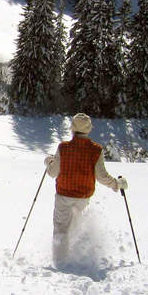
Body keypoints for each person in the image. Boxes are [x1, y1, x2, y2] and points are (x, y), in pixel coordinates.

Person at [43, 113, 127, 267]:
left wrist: (49, 162)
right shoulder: (96, 150)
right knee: (75, 226)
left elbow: (53, 172)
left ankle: (60, 262)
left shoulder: (63, 147)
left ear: (72, 129)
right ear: (88, 129)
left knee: (61, 229)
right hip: (83, 197)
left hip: (63, 195)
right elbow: (102, 177)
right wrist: (117, 184)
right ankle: (76, 256)